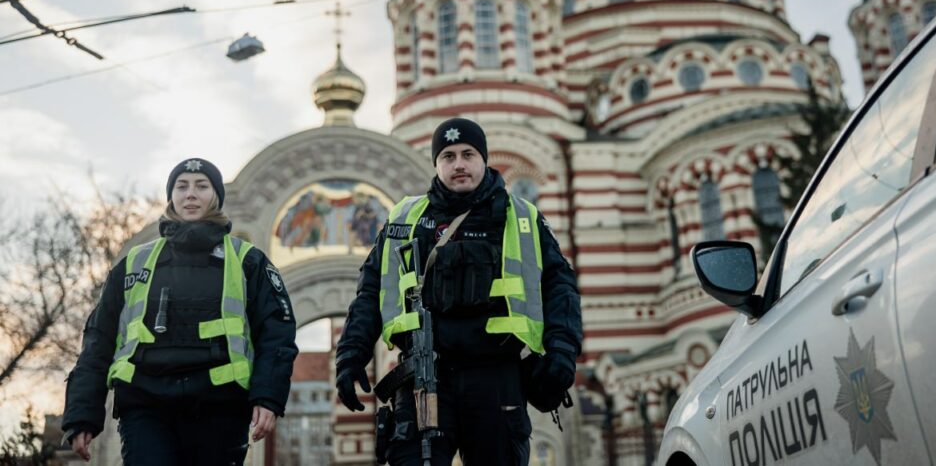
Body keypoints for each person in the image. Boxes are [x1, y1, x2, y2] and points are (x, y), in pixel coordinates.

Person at [336, 118, 583, 465]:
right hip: (424, 377)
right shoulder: (407, 218)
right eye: (448, 156)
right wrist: (351, 355)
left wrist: (561, 351)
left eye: (468, 154)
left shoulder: (522, 217)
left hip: (496, 379)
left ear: (484, 159)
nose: (459, 165)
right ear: (437, 164)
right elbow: (371, 291)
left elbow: (560, 287)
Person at [62, 158, 298, 465]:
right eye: (181, 186)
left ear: (216, 196)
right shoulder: (135, 263)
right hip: (146, 408)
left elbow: (276, 333)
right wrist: (82, 413)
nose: (190, 194)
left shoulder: (248, 261)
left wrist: (268, 397)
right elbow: (99, 338)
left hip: (220, 410)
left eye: (201, 186)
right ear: (171, 195)